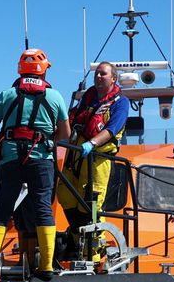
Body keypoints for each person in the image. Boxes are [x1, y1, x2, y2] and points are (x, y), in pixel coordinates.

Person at [0, 49, 70, 280]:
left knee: (2, 210)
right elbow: (65, 133)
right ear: (44, 70)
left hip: (10, 158)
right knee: (43, 207)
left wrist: (2, 141)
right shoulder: (55, 97)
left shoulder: (7, 94)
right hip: (41, 159)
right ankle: (47, 266)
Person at [56, 61, 130, 262]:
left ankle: (95, 256)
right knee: (64, 193)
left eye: (103, 74)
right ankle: (76, 237)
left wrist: (92, 143)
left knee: (91, 204)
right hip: (76, 153)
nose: (98, 76)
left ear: (113, 78)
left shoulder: (121, 103)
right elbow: (72, 121)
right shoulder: (87, 98)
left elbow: (112, 129)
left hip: (98, 158)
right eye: (97, 73)